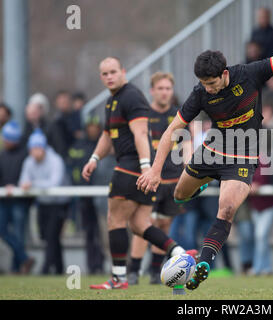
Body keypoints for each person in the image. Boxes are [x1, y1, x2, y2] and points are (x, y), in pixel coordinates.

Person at [137, 12, 273, 290]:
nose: (208, 90)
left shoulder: (249, 74)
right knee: (180, 195)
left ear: (224, 74)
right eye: (204, 84)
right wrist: (154, 169)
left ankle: (204, 261)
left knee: (226, 209)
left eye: (212, 84)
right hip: (213, 149)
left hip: (245, 153)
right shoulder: (199, 93)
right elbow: (171, 131)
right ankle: (202, 184)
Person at [82, 57, 196, 290]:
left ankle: (120, 277)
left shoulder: (130, 96)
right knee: (140, 224)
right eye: (104, 74)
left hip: (131, 169)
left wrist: (146, 168)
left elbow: (141, 133)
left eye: (113, 71)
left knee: (115, 219)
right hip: (146, 172)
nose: (109, 77)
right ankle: (178, 252)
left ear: (123, 71)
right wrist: (94, 158)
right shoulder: (113, 100)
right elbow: (107, 134)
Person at [127, 72, 187, 285]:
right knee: (144, 225)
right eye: (160, 88)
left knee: (164, 224)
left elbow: (185, 145)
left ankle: (154, 271)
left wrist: (189, 169)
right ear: (152, 91)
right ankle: (133, 271)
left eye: (168, 88)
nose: (164, 92)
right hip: (150, 181)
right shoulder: (144, 114)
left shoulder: (179, 115)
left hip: (172, 181)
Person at [19, 129, 70, 274]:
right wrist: (29, 184)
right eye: (32, 149)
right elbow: (23, 180)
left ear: (43, 148)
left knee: (52, 234)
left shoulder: (55, 160)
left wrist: (33, 183)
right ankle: (59, 268)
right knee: (47, 236)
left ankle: (46, 268)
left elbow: (55, 183)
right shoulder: (29, 161)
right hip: (43, 203)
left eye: (37, 148)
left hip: (59, 203)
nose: (35, 152)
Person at [66, 116, 105, 274]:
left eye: (95, 127)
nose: (93, 129)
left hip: (102, 196)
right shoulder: (78, 146)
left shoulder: (104, 146)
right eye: (90, 126)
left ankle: (103, 264)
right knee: (89, 232)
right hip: (84, 196)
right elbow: (72, 168)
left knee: (103, 232)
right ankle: (92, 265)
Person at [0, 121, 34, 274]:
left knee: (19, 233)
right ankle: (24, 259)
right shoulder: (2, 155)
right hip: (4, 199)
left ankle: (17, 267)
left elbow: (27, 176)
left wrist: (16, 186)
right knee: (2, 230)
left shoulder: (25, 155)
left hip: (19, 199)